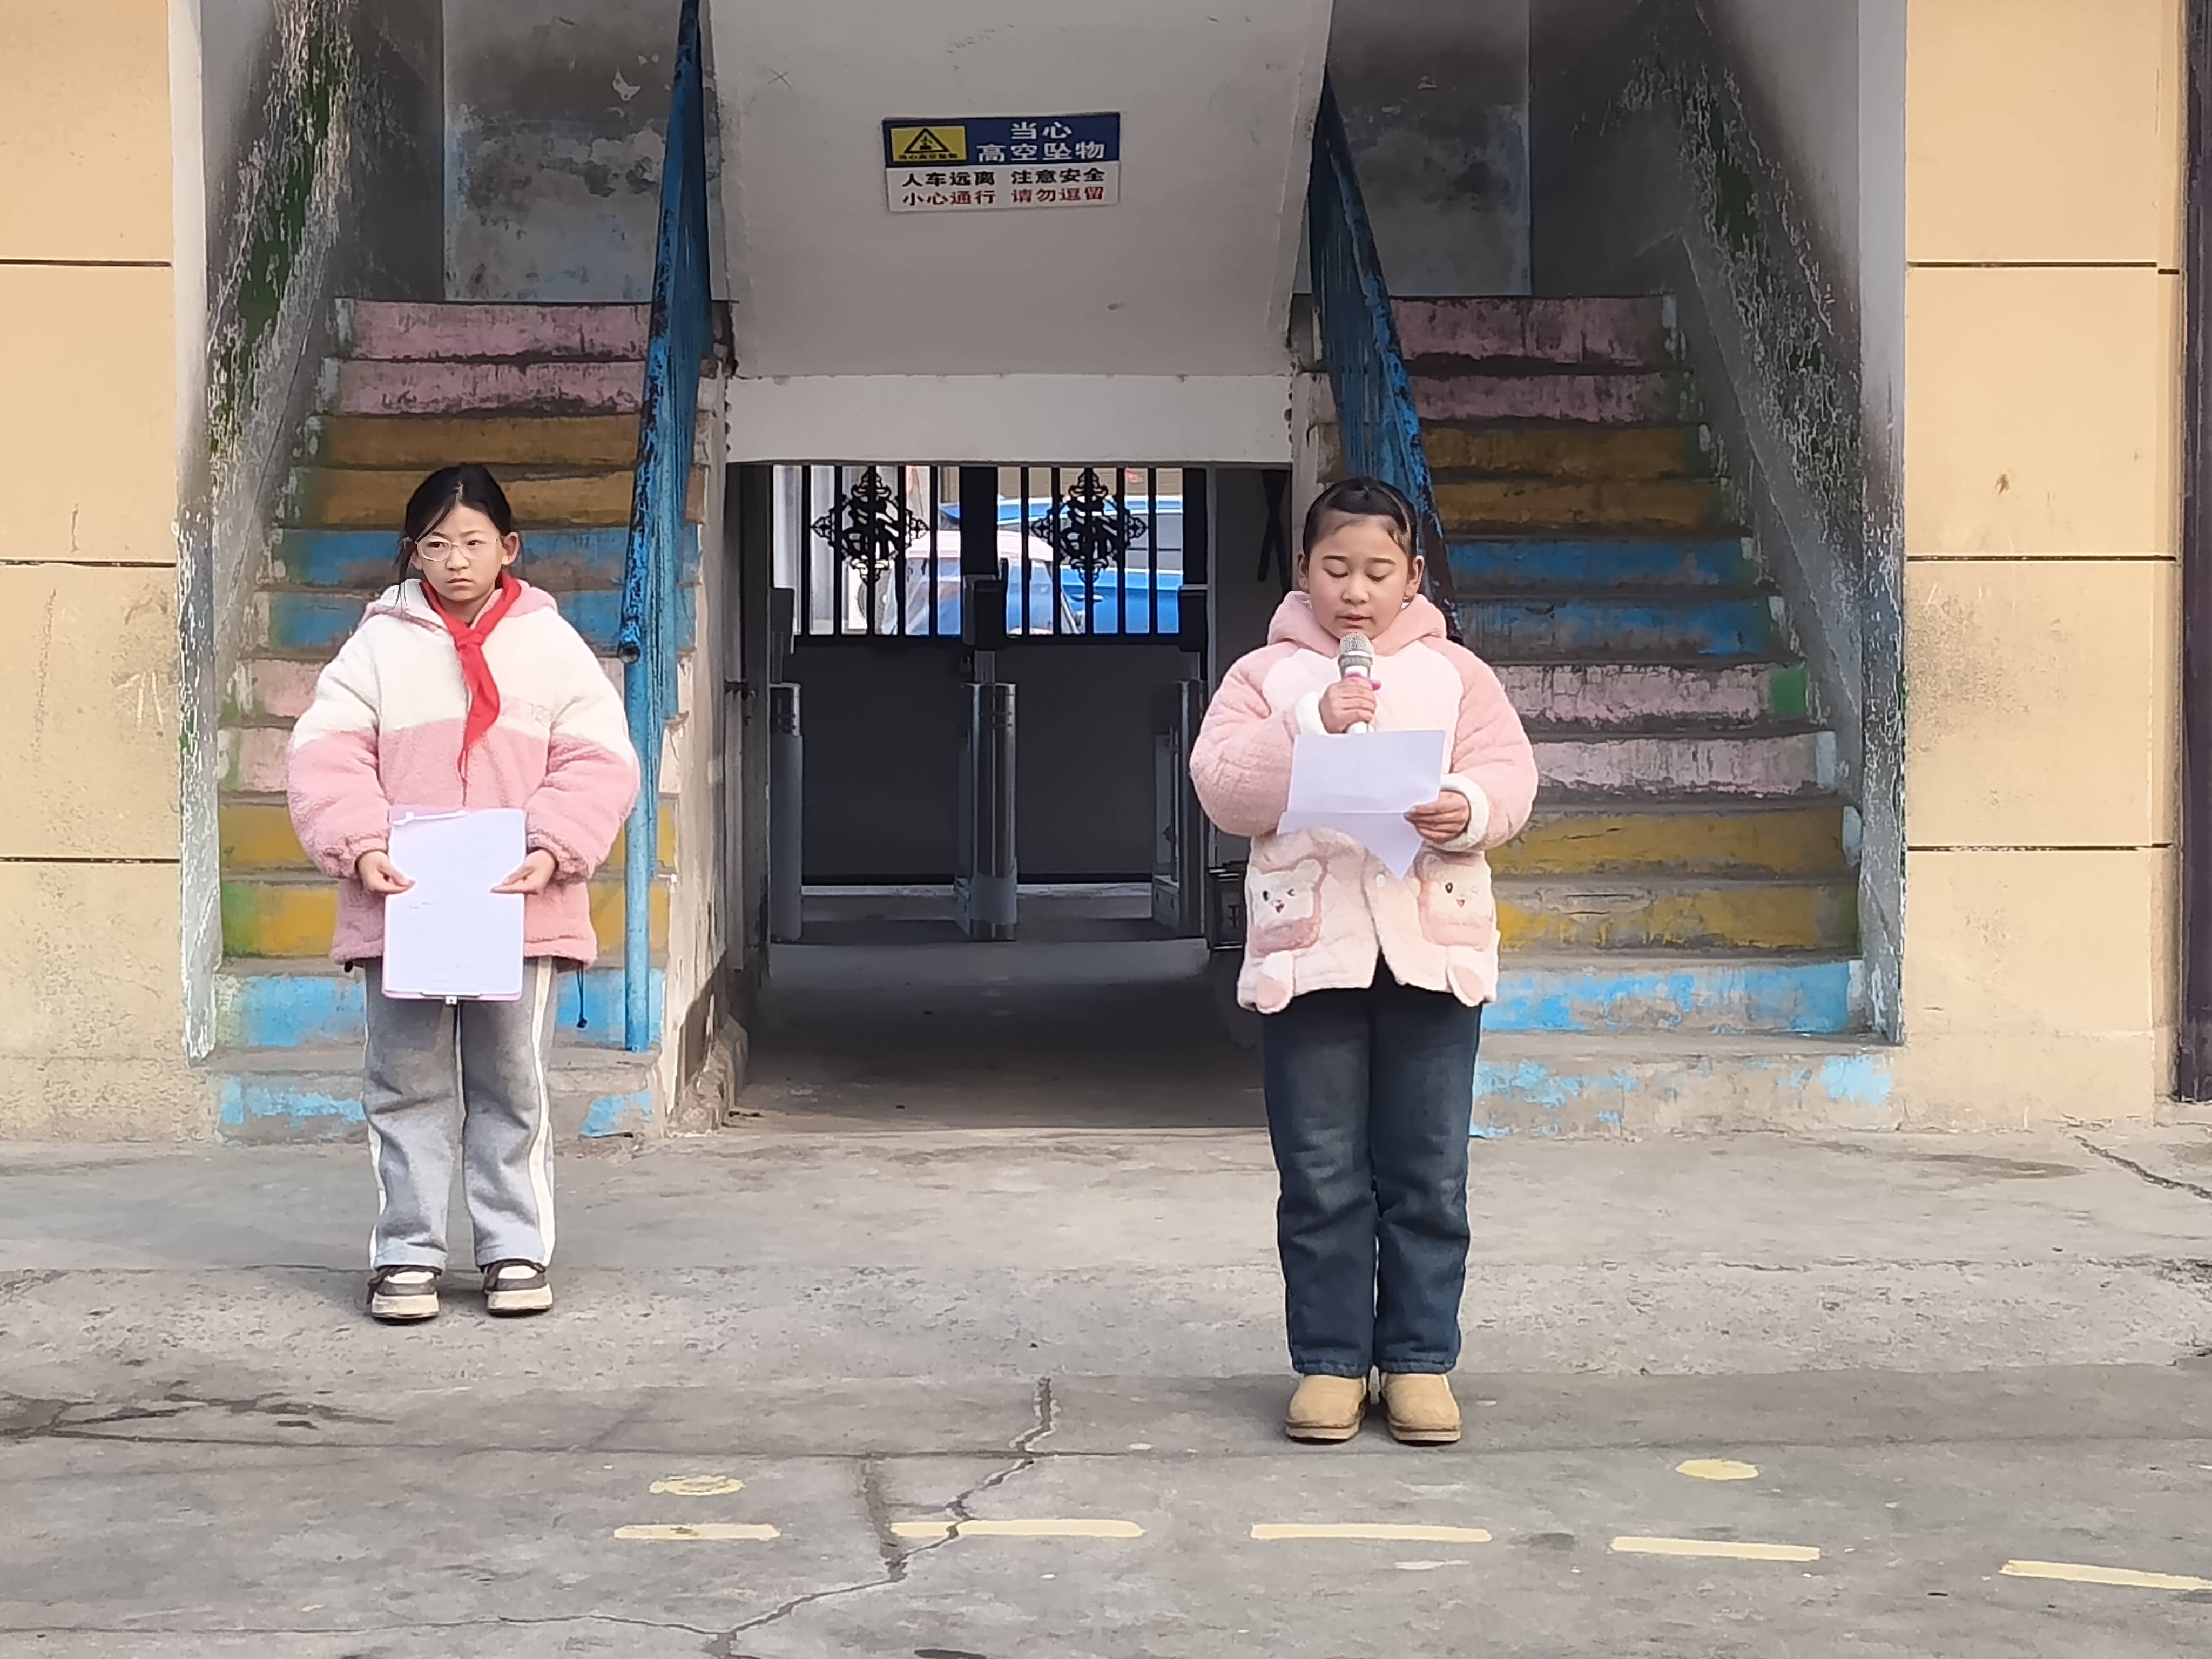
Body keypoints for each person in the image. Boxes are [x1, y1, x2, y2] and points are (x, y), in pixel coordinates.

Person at [1190, 476, 1538, 1445]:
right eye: (1336, 568)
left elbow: (1511, 777)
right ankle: (1331, 1364)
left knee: (1428, 1171)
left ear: (1413, 575)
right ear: (1303, 570)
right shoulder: (1266, 678)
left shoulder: (1456, 675)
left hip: (1432, 951)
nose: (1355, 590)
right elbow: (1223, 787)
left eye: (1378, 571)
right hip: (1310, 962)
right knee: (1321, 1172)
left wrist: (1467, 808)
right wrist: (1310, 724)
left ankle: (1420, 1360)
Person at [286, 465, 640, 1324]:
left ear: (507, 548)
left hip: (518, 904)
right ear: (413, 552)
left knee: (511, 1085)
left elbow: (599, 758)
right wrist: (362, 845)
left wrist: (553, 847)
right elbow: (326, 752)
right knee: (404, 1082)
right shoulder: (378, 646)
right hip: (403, 903)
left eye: (473, 542)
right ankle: (406, 1255)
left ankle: (514, 1249)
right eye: (437, 545)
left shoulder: (549, 645)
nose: (455, 561)